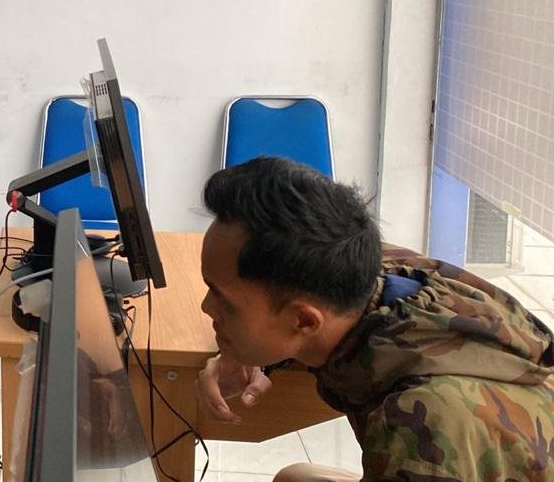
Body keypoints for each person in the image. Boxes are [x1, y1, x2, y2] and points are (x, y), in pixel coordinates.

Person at [195, 157, 554, 482]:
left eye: (224, 301)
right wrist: (249, 353)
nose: (206, 307)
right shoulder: (378, 272)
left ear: (304, 322)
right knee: (297, 478)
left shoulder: (420, 431)